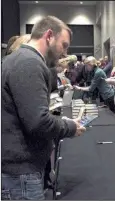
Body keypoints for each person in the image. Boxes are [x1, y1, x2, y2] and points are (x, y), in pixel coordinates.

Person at [2, 16, 86, 200]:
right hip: (21, 174)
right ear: (49, 36)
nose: (65, 53)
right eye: (63, 45)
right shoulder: (29, 63)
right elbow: (38, 122)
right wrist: (70, 127)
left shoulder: (19, 60)